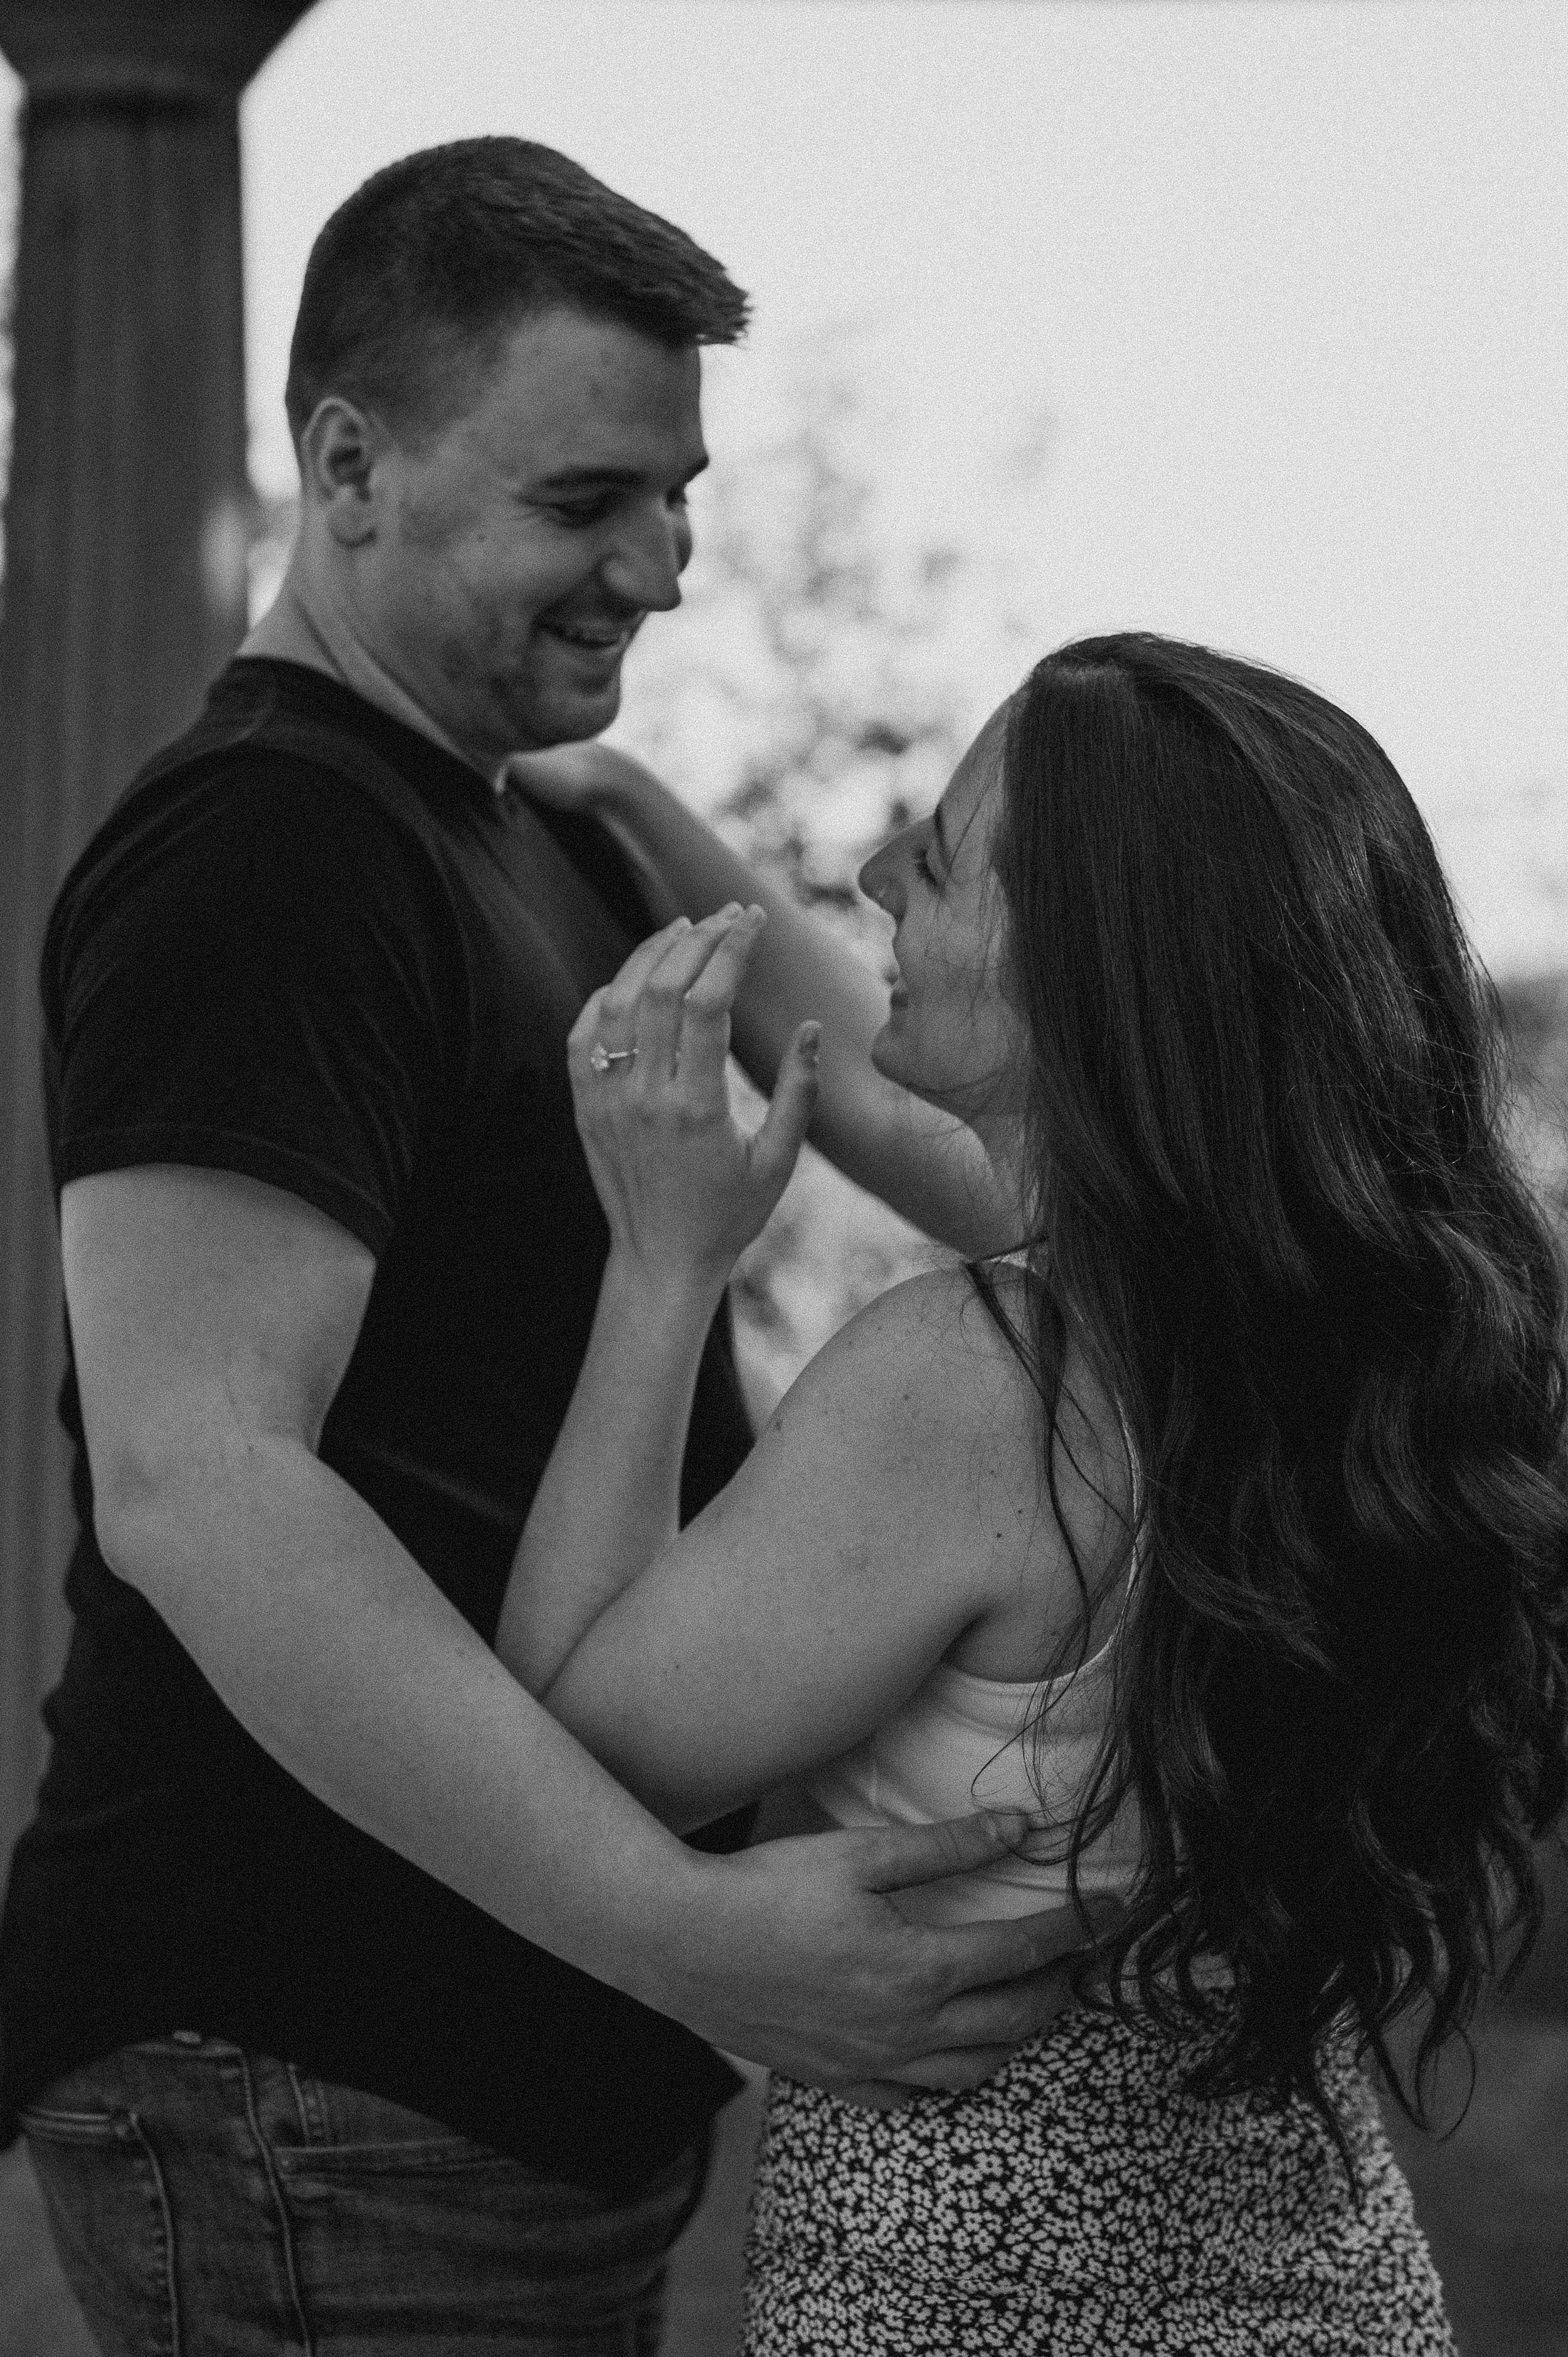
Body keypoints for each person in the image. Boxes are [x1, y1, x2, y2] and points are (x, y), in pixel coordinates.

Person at [0, 141, 1095, 2355]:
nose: (665, 568)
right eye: (591, 500)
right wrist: (685, 1932)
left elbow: (1052, 1192)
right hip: (318, 2062)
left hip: (498, 2085)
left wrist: (699, 871)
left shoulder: (538, 838)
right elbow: (205, 1487)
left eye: (679, 495)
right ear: (347, 466)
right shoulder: (266, 851)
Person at [502, 634, 1568, 2353]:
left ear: (1081, 969)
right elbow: (887, 1089)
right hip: (1323, 2284)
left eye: (926, 863)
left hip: (971, 2298)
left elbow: (582, 1736)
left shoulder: (971, 1377)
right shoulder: (1355, 1351)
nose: (860, 883)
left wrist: (660, 1260)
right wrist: (622, 795)